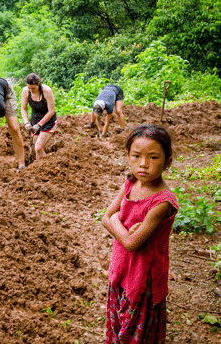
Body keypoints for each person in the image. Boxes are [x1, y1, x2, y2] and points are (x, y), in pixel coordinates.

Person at [102, 124, 178, 344]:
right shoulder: (131, 182)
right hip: (122, 268)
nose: (143, 164)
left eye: (153, 157)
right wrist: (122, 226)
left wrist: (118, 223)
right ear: (128, 157)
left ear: (168, 162)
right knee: (118, 324)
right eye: (136, 156)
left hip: (144, 278)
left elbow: (131, 243)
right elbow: (106, 217)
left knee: (135, 333)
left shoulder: (162, 202)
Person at [20, 73, 57, 161]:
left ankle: (46, 167)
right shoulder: (26, 91)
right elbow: (23, 109)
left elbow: (51, 111)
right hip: (34, 121)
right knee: (36, 149)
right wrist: (26, 123)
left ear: (38, 84)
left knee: (38, 148)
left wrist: (39, 125)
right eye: (29, 88)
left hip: (48, 122)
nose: (31, 90)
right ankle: (39, 169)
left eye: (33, 88)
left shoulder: (47, 91)